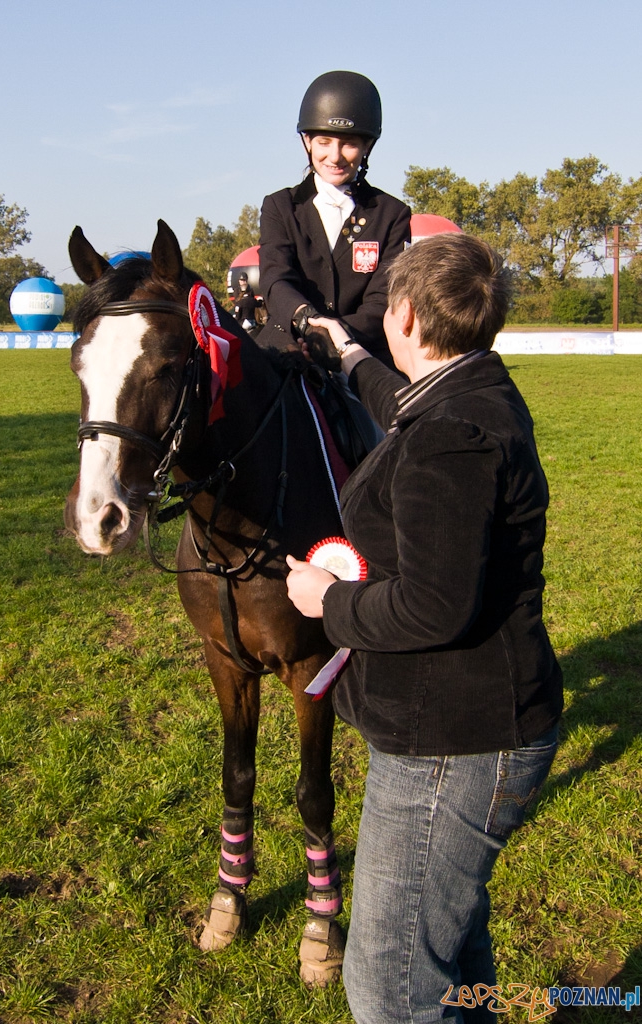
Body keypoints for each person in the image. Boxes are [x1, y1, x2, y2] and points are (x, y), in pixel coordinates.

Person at [285, 233, 563, 1023]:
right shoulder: (465, 395)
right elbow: (399, 403)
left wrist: (325, 601)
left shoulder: (452, 436)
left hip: (455, 742)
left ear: (402, 314)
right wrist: (344, 353)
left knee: (391, 984)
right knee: (445, 949)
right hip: (467, 726)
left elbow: (432, 607)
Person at [256, 70, 412, 366]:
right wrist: (307, 322)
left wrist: (338, 336)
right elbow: (276, 279)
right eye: (324, 142)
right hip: (287, 348)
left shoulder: (392, 215)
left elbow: (383, 298)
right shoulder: (279, 206)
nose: (336, 156)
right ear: (308, 142)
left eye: (349, 143)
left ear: (367, 146)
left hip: (361, 353)